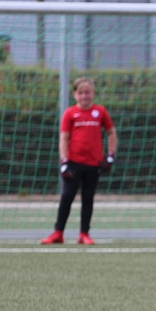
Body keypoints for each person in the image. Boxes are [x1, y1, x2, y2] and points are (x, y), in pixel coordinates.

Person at [41, 76, 117, 245]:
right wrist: (64, 161)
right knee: (67, 196)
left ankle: (84, 233)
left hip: (94, 163)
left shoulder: (101, 112)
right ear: (75, 94)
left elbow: (111, 132)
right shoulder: (70, 113)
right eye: (81, 93)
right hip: (74, 163)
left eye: (87, 92)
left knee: (88, 198)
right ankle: (58, 232)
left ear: (93, 93)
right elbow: (64, 138)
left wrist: (110, 155)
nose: (84, 96)